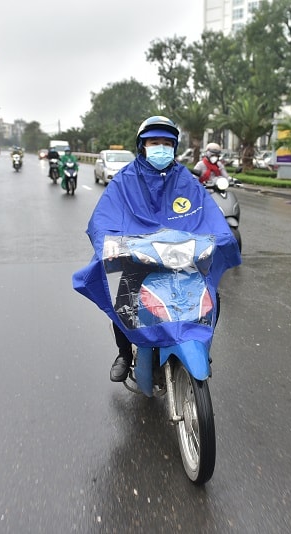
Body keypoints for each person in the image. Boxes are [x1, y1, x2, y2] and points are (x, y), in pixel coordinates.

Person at [72, 116, 241, 382]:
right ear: (143, 146)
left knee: (211, 296)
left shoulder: (186, 180)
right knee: (124, 297)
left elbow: (209, 214)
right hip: (140, 254)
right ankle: (125, 353)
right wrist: (113, 244)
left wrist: (221, 237)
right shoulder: (124, 180)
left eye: (166, 143)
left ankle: (199, 343)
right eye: (154, 142)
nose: (161, 148)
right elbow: (104, 218)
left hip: (182, 255)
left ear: (174, 147)